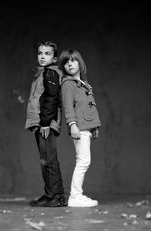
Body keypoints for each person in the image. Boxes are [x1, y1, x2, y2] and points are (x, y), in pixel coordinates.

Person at [25, 41, 66, 207]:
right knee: (46, 160)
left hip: (46, 124)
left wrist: (45, 123)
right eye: (40, 53)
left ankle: (56, 197)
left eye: (47, 54)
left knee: (49, 161)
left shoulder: (51, 73)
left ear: (55, 58)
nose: (42, 56)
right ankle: (50, 195)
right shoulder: (42, 73)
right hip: (41, 123)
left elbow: (51, 99)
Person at [59, 48, 101, 207]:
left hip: (86, 127)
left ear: (80, 63)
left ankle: (76, 195)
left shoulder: (83, 85)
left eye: (73, 60)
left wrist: (94, 127)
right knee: (83, 161)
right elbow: (68, 107)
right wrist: (72, 124)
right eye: (66, 62)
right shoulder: (68, 84)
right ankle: (75, 196)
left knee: (84, 161)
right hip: (79, 127)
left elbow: (89, 108)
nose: (69, 64)